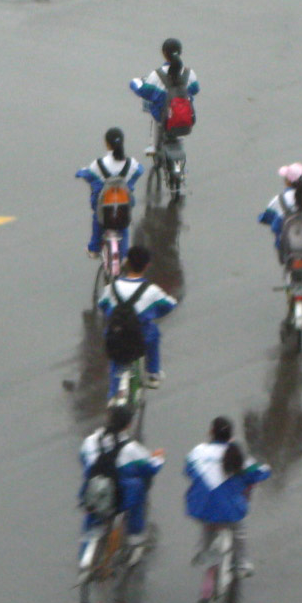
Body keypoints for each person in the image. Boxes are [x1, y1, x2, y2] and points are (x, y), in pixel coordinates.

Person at [184, 416, 271, 577]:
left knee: (207, 523)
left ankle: (202, 552)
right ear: (231, 435)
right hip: (229, 511)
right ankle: (242, 564)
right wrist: (266, 468)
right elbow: (258, 474)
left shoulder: (198, 452)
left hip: (198, 507)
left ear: (211, 432)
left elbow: (188, 470)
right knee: (238, 530)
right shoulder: (238, 454)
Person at [79, 404, 165, 564]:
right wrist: (159, 458)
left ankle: (85, 555)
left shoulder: (91, 441)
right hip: (118, 497)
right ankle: (135, 537)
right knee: (137, 487)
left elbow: (83, 459)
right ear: (128, 425)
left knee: (91, 517)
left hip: (91, 491)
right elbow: (150, 468)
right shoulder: (131, 448)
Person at [98, 245, 177, 391]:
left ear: (126, 263)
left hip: (116, 333)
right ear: (147, 266)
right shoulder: (151, 290)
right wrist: (153, 314)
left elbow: (102, 304)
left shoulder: (112, 287)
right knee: (154, 333)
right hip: (141, 335)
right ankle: (152, 374)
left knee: (116, 360)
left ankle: (113, 397)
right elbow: (170, 305)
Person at [75, 127, 144, 259]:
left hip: (104, 204)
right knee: (124, 225)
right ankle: (123, 256)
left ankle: (94, 249)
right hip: (124, 203)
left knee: (98, 219)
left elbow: (88, 175)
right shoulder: (131, 163)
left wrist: (80, 172)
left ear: (107, 144)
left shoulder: (99, 164)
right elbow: (140, 171)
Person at [130, 38, 199, 155]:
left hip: (164, 117)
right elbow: (195, 89)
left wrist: (134, 83)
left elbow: (145, 93)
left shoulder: (157, 74)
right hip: (187, 118)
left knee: (150, 104)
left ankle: (153, 145)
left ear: (164, 53)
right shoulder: (189, 73)